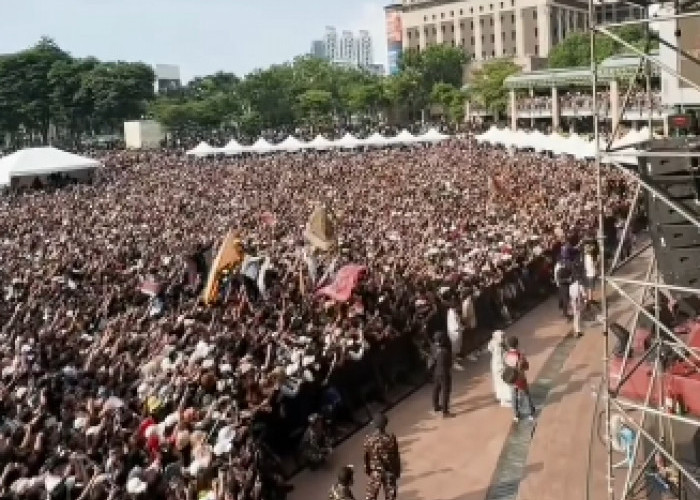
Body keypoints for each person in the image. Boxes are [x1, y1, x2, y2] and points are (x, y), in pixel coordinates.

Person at [363, 414, 400, 500]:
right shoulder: (390, 438)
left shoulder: (368, 439)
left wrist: (368, 471)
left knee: (370, 497)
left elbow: (366, 457)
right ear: (385, 424)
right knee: (390, 497)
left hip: (375, 472)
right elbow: (395, 456)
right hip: (389, 471)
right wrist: (397, 472)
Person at [503, 336, 536, 422]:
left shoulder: (506, 355)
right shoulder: (520, 355)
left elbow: (505, 365)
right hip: (521, 379)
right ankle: (530, 413)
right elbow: (526, 367)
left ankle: (516, 415)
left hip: (512, 379)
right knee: (526, 395)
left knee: (514, 397)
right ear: (517, 344)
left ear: (508, 345)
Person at [431, 331, 453, 417]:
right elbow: (449, 363)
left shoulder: (434, 348)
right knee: (445, 391)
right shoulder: (445, 351)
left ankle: (436, 406)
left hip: (436, 371)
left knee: (436, 389)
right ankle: (445, 411)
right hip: (444, 372)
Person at [488, 330, 511, 407]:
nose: (504, 338)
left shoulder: (493, 343)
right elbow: (501, 358)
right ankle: (503, 400)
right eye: (503, 337)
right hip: (499, 366)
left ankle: (502, 397)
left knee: (499, 382)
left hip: (496, 365)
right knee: (502, 382)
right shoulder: (498, 347)